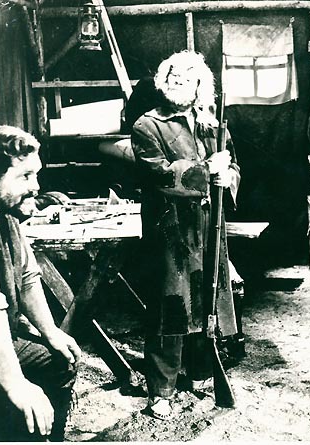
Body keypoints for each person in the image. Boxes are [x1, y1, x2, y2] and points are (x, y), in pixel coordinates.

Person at [131, 50, 241, 420]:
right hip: (171, 230)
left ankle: (201, 372)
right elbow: (159, 175)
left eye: (187, 77)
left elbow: (234, 167)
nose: (178, 80)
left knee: (206, 298)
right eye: (172, 75)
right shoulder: (148, 125)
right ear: (163, 82)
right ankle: (161, 390)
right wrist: (207, 171)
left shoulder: (213, 125)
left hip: (209, 225)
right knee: (172, 306)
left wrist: (228, 176)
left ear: (199, 85)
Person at [0, 125, 81, 441]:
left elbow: (29, 278)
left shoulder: (7, 215)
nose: (36, 186)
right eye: (25, 177)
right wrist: (16, 384)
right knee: (16, 400)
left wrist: (51, 332)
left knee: (60, 358)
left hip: (2, 333)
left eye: (36, 175)